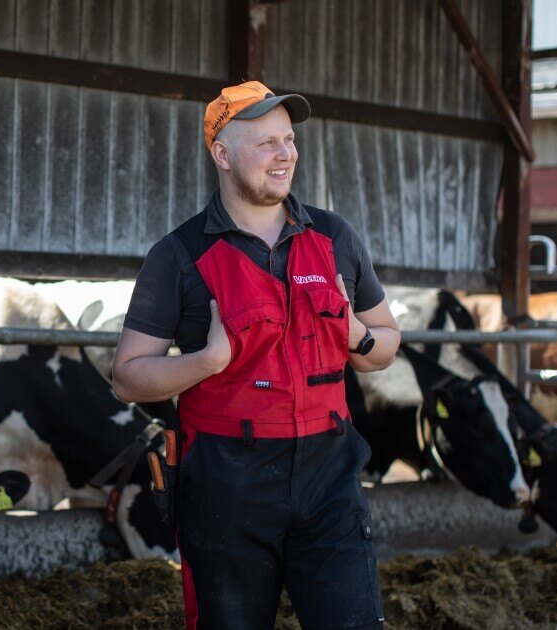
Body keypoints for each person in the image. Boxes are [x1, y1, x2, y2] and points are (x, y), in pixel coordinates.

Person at [112, 81, 400, 629]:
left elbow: (386, 342)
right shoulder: (180, 254)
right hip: (226, 483)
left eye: (288, 140)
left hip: (329, 474)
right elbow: (127, 377)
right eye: (266, 143)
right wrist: (205, 362)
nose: (285, 154)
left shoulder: (334, 236)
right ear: (222, 154)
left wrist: (357, 337)